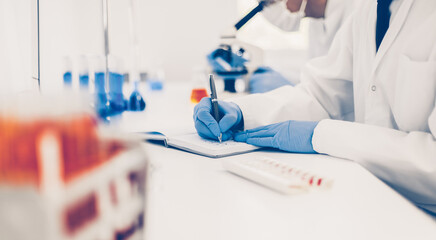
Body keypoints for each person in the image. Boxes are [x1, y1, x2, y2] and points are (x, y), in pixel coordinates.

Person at [194, 0, 436, 215]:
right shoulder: (369, 10)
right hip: (373, 197)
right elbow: (322, 94)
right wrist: (242, 112)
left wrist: (320, 135)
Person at [250, 0, 359, 93]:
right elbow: (314, 76)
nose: (272, 6)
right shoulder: (317, 20)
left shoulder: (355, 13)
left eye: (272, 1)